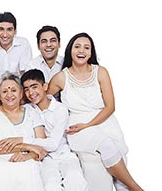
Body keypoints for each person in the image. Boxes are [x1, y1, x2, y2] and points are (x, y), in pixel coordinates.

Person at [47, 32, 144, 191]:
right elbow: (44, 103)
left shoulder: (101, 72)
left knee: (117, 151)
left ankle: (125, 188)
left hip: (104, 121)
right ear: (70, 50)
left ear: (91, 52)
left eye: (87, 47)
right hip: (77, 128)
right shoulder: (60, 78)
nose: (81, 51)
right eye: (77, 46)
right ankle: (136, 188)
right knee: (106, 144)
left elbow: (110, 106)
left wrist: (88, 124)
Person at [0, 71, 47, 191]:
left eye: (13, 90)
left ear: (21, 94)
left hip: (27, 160)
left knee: (30, 169)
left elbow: (41, 145)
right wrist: (27, 147)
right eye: (4, 91)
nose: (9, 95)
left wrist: (30, 155)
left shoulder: (31, 113)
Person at [0, 11, 33, 97]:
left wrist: (23, 97)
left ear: (15, 31)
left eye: (9, 30)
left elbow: (24, 73)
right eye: (1, 29)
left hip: (16, 96)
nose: (5, 34)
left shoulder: (24, 44)